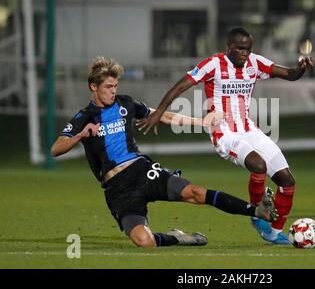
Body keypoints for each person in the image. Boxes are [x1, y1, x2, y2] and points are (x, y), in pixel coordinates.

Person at [51, 56, 278, 249]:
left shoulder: (126, 104)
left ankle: (256, 211)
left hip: (142, 170)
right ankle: (176, 237)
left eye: (115, 86)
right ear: (93, 87)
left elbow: (163, 116)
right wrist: (81, 135)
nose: (113, 91)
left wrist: (201, 122)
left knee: (195, 193)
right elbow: (56, 149)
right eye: (108, 87)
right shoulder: (85, 117)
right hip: (117, 188)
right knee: (144, 241)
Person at [137, 26, 314, 244]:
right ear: (228, 47)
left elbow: (289, 74)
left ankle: (273, 233)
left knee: (287, 181)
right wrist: (159, 113)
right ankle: (257, 213)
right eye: (240, 48)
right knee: (258, 165)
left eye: (248, 49)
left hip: (250, 129)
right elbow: (180, 86)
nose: (244, 53)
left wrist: (301, 68)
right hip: (224, 132)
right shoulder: (213, 64)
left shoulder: (255, 63)